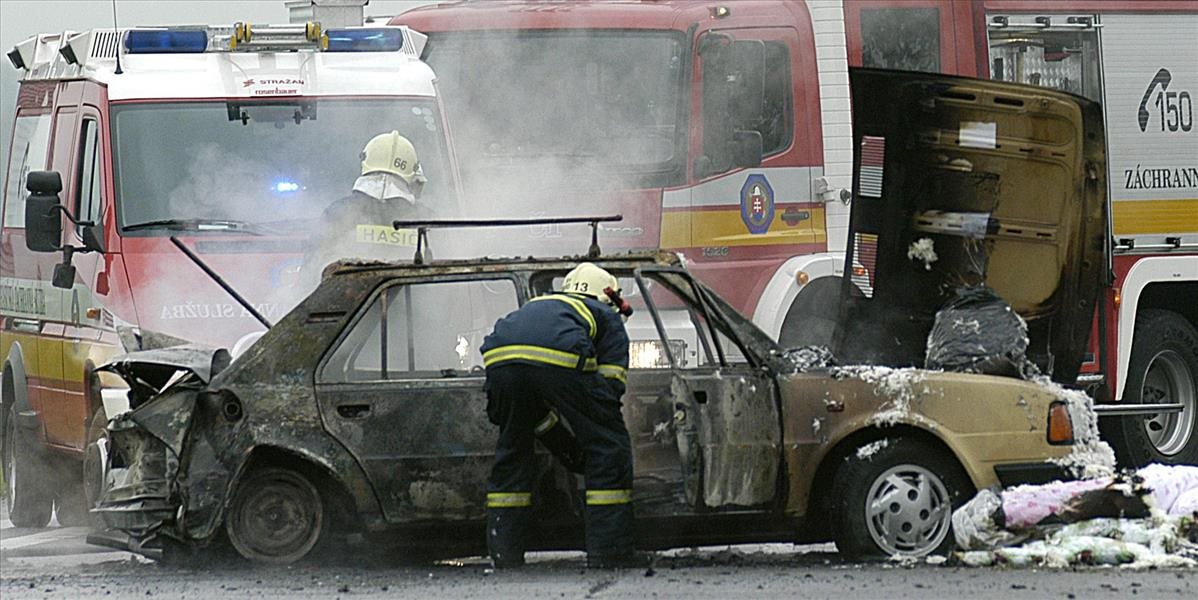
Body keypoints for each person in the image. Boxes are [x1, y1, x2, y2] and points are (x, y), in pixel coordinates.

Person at [480, 263, 639, 569]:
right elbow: (609, 389)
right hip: (560, 355)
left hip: (500, 359)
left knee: (513, 449)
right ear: (607, 295)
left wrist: (564, 444)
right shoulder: (605, 314)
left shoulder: (541, 304)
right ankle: (610, 553)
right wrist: (596, 430)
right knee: (609, 447)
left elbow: (535, 410)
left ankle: (505, 554)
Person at [301, 131, 431, 288]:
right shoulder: (427, 220)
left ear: (365, 162)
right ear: (413, 171)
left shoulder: (338, 213)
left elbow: (309, 276)